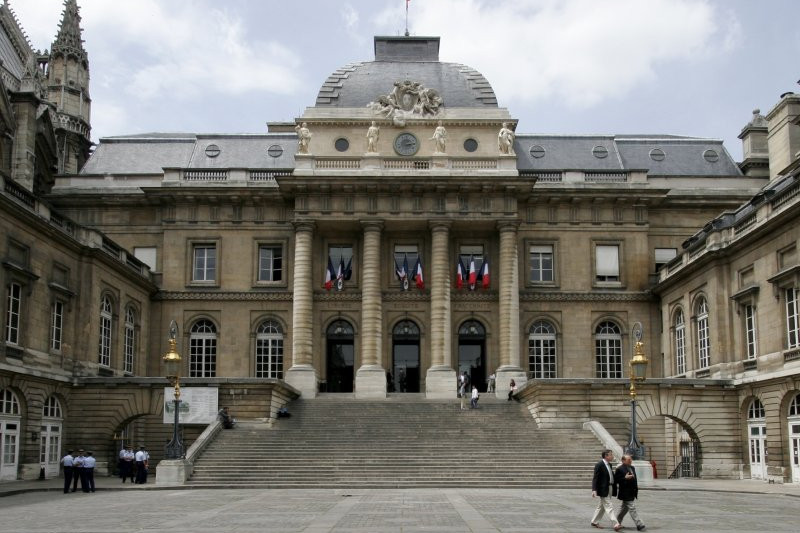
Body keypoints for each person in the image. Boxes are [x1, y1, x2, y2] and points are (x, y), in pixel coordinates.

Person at [591, 449, 622, 531]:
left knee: (601, 506)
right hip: (603, 489)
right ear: (606, 456)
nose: (612, 456)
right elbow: (595, 478)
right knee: (609, 505)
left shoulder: (610, 465)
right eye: (611, 455)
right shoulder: (599, 465)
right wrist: (594, 489)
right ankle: (616, 524)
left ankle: (594, 521)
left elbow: (612, 476)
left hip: (610, 487)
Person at [614, 454, 646, 531]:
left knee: (624, 509)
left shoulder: (632, 467)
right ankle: (639, 524)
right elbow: (616, 480)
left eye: (631, 459)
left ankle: (616, 522)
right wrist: (624, 478)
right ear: (623, 461)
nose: (631, 461)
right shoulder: (619, 469)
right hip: (625, 492)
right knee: (632, 508)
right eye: (629, 460)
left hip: (632, 491)